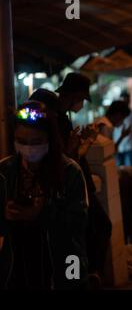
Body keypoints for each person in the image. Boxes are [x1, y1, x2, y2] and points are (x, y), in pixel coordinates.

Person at [30, 80, 111, 289]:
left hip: (68, 193)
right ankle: (88, 276)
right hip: (66, 193)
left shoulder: (60, 122)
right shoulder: (57, 125)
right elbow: (68, 156)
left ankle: (83, 277)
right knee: (80, 236)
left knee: (81, 234)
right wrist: (83, 144)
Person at [0, 101, 88, 289]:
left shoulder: (70, 172)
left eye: (36, 141)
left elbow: (80, 223)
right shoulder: (4, 171)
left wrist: (44, 212)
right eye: (22, 141)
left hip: (60, 269)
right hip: (16, 269)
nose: (28, 148)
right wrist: (5, 215)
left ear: (50, 139)